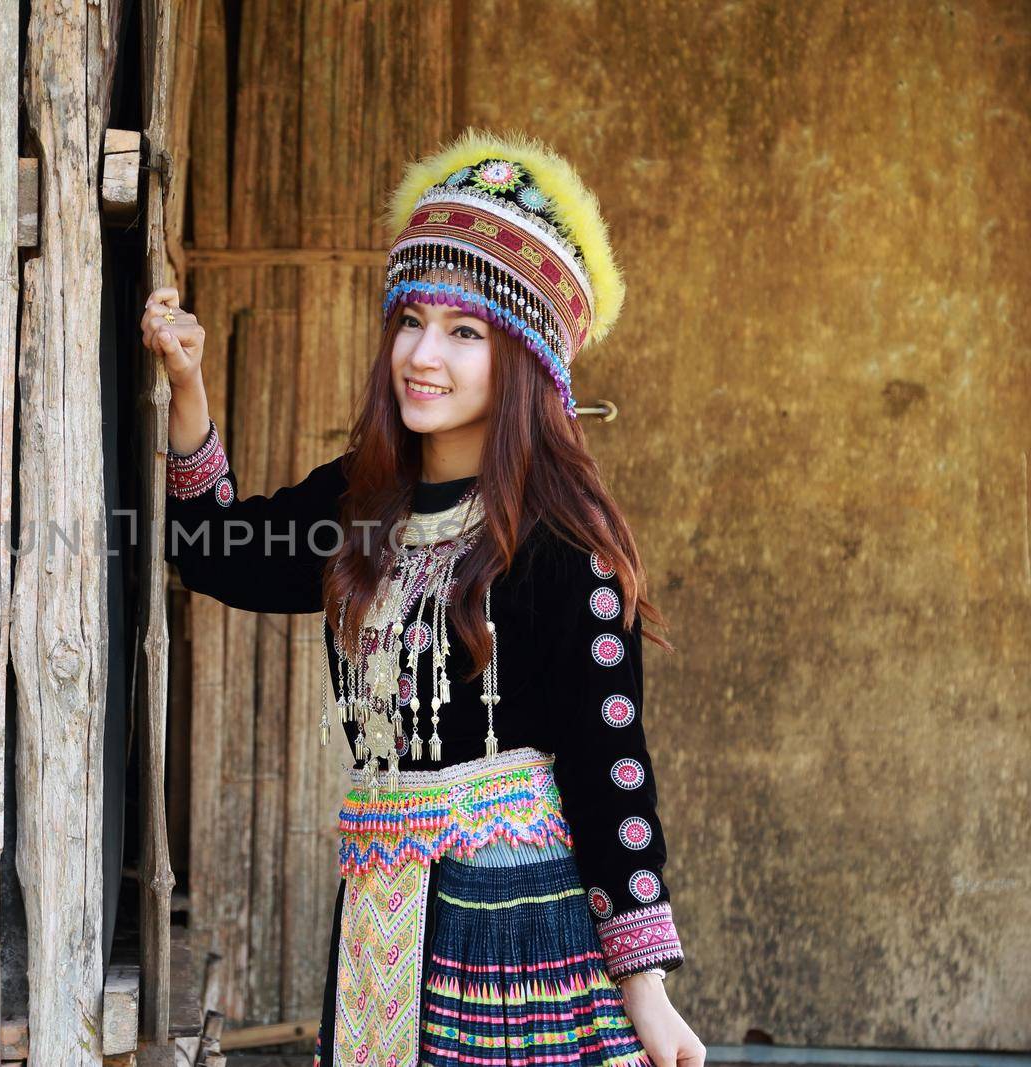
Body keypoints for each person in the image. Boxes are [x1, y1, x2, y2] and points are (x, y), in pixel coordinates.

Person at [142, 128, 705, 1067]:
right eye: (412, 319)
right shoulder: (357, 505)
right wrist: (187, 384)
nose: (422, 353)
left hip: (517, 937)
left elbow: (611, 762)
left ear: (525, 358)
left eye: (465, 331)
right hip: (378, 920)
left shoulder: (569, 546)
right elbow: (216, 550)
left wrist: (646, 991)